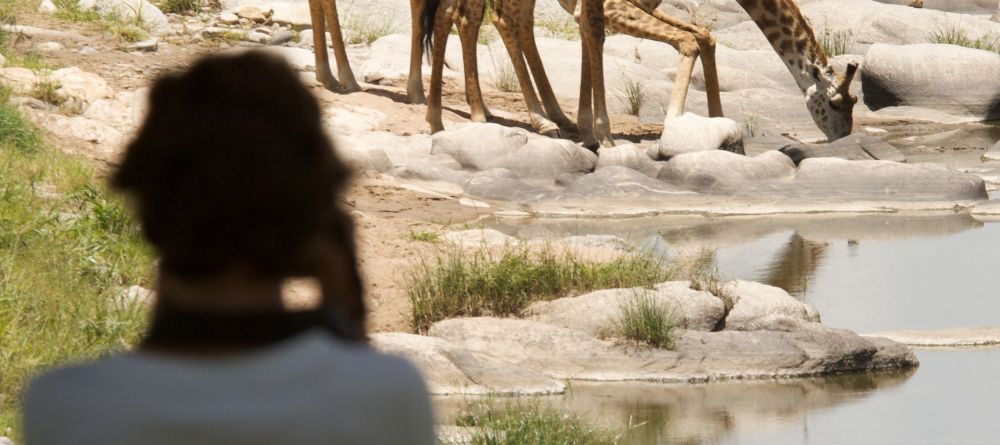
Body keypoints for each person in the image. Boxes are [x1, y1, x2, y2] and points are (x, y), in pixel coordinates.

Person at [22, 51, 436, 445]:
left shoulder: (64, 402)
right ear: (315, 218)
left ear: (150, 209)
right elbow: (353, 395)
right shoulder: (386, 394)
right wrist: (348, 311)